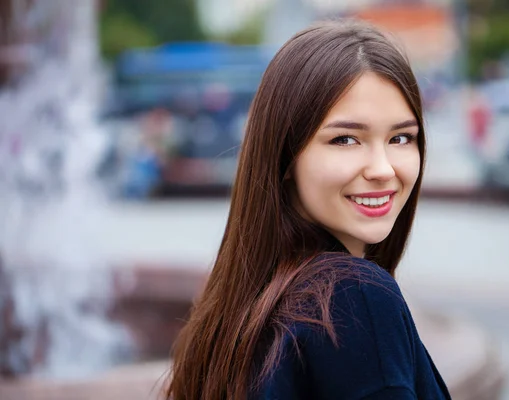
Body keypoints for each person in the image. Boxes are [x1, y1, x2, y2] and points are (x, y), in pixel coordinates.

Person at [166, 20, 451, 400]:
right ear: (285, 158)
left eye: (401, 137)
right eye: (345, 139)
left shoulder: (243, 312)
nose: (383, 169)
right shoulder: (354, 300)